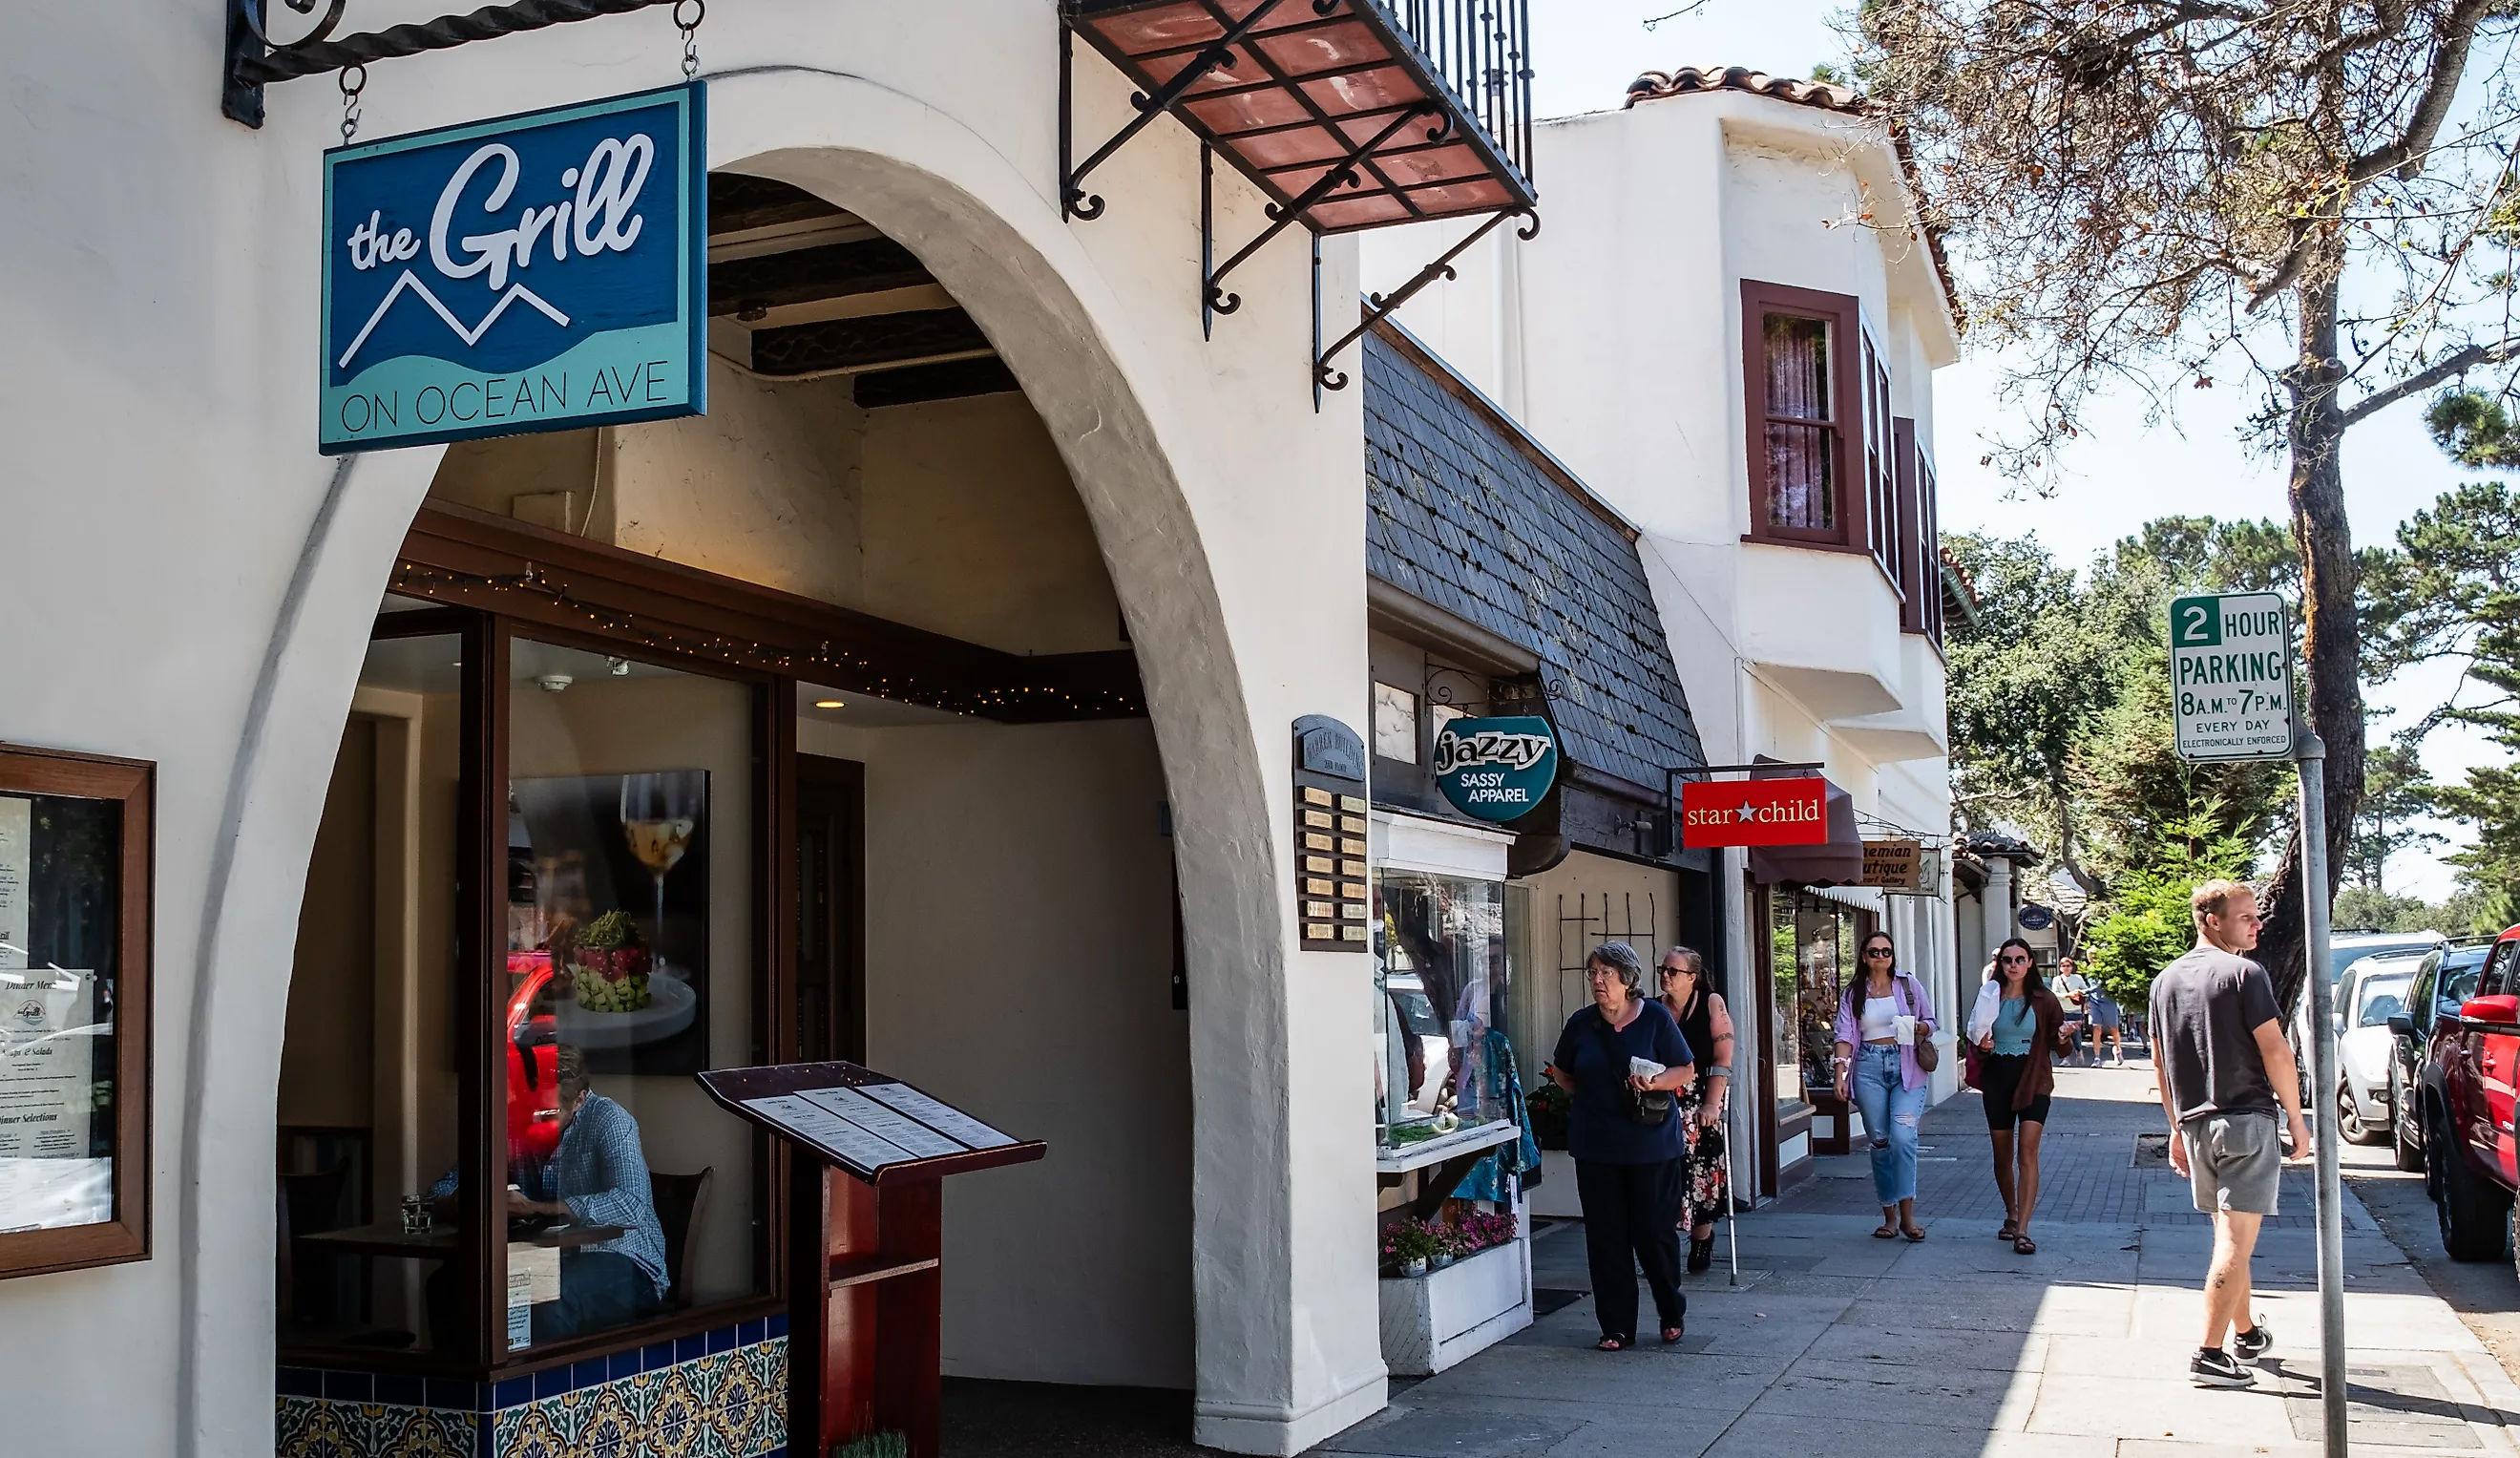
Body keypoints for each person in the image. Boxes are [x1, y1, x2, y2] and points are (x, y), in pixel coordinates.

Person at [2151, 879, 2314, 1389]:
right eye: (2246, 917)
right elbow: (2276, 1049)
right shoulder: (2245, 973)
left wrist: (2175, 1127)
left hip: (2198, 1123)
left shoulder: (2165, 981)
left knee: (2227, 1237)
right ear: (2212, 921)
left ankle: (2244, 1332)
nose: (2257, 924)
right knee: (2234, 1243)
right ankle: (2209, 1353)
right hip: (2245, 1118)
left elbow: (2161, 1064)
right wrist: (2297, 1118)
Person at [430, 1044, 670, 1343]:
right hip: (540, 1258)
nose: (535, 1121)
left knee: (549, 1301)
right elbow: (441, 1190)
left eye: (548, 1113)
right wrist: (462, 1203)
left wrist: (533, 1208)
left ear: (579, 1100)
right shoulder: (515, 1120)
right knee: (447, 1285)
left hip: (624, 1261)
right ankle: (465, 1388)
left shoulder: (610, 1120)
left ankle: (548, 1390)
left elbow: (631, 1204)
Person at [1547, 941, 1697, 1351]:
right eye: (1593, 973)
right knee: (1605, 1237)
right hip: (1596, 1146)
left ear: (1628, 980)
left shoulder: (1655, 1019)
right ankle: (1616, 1326)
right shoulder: (1581, 1024)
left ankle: (1671, 1310)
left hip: (1651, 1145)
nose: (1598, 980)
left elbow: (1685, 1068)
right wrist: (1594, 1097)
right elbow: (1562, 1073)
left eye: (1606, 974)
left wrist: (1655, 1083)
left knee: (1653, 1234)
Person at [1831, 931, 1938, 1242]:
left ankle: (1908, 1216)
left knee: (1903, 1137)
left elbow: (1931, 1021)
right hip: (1868, 1068)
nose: (1881, 957)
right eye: (1874, 952)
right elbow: (1844, 1036)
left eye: (1886, 952)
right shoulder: (1854, 993)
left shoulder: (1907, 985)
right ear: (1864, 956)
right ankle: (1889, 1215)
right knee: (1880, 1141)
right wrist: (1840, 1074)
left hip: (1907, 1067)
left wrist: (1919, 1026)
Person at [1967, 938, 2070, 1255]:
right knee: (2002, 1154)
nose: (2013, 965)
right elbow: (1975, 1037)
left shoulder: (2043, 999)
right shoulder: (1989, 996)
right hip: (1998, 1079)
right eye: (2008, 960)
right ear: (2000, 965)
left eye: (2020, 959)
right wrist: (1983, 1046)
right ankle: (2011, 1212)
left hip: (2034, 1080)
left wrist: (2065, 1037)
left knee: (2027, 1152)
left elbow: (2059, 1044)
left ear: (2030, 964)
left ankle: (2023, 1229)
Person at [1655, 945, 1734, 1273]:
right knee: (1660, 1171)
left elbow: (1722, 1058)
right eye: (1663, 969)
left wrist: (1712, 1104)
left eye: (1673, 971)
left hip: (1700, 1096)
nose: (1665, 975)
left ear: (1692, 977)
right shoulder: (1653, 1008)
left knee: (1699, 1168)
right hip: (1661, 1099)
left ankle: (1702, 1237)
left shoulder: (1710, 1004)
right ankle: (1660, 1242)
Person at [2052, 956, 2092, 1065]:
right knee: (2064, 1034)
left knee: (2076, 1035)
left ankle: (2079, 1052)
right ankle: (2066, 1058)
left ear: (2072, 967)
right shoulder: (2057, 979)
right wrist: (2067, 995)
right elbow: (2054, 994)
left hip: (2075, 1011)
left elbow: (2085, 990)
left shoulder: (2078, 978)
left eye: (2068, 966)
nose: (2066, 968)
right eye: (2063, 966)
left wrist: (2079, 993)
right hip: (2062, 1011)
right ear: (2060, 967)